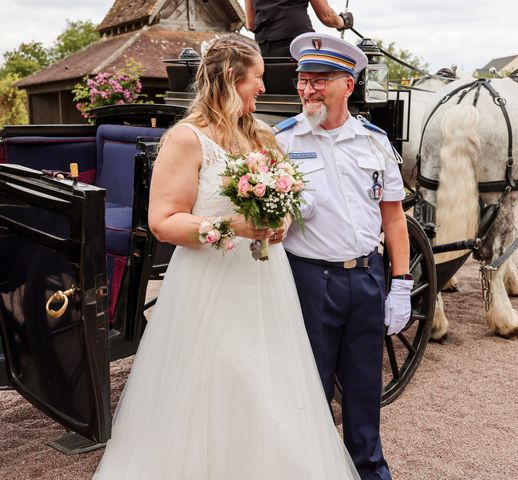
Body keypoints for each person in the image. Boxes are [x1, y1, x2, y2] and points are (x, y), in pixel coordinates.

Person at [93, 33, 359, 479]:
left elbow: (286, 203)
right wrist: (231, 227)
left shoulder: (262, 135)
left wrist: (281, 223)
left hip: (265, 282)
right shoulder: (187, 138)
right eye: (257, 79)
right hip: (208, 285)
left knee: (270, 386)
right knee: (222, 383)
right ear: (233, 80)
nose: (262, 88)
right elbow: (164, 221)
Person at [274, 32, 413, 480]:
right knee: (308, 390)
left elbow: (393, 219)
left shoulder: (373, 142)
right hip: (310, 281)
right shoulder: (280, 142)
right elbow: (267, 226)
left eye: (320, 81)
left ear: (347, 86)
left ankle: (370, 471)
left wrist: (402, 284)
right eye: (303, 80)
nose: (308, 90)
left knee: (363, 389)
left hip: (366, 278)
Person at [244, 0, 354, 57]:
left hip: (264, 49)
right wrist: (344, 21)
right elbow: (327, 16)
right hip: (298, 45)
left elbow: (250, 24)